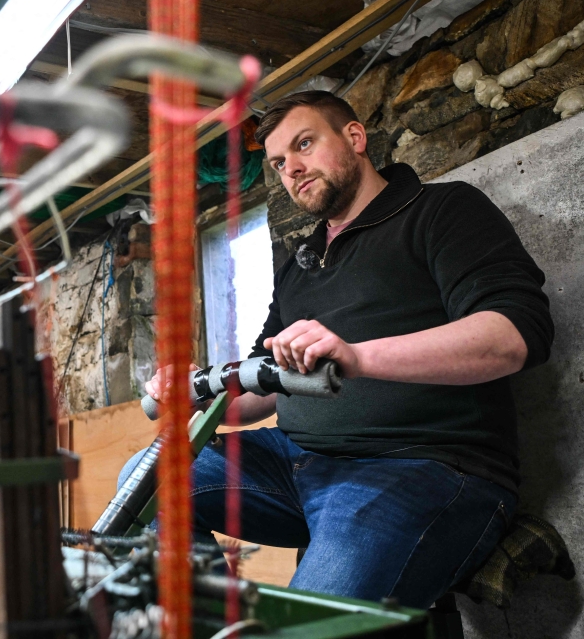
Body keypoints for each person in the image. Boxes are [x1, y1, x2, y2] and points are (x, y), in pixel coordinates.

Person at [133, 90, 554, 609]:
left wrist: (358, 356)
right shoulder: (299, 262)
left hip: (421, 465)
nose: (292, 169)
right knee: (150, 479)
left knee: (308, 625)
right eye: (280, 162)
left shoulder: (442, 210)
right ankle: (222, 622)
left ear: (355, 138)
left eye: (304, 144)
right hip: (295, 464)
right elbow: (261, 387)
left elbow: (513, 336)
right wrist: (202, 394)